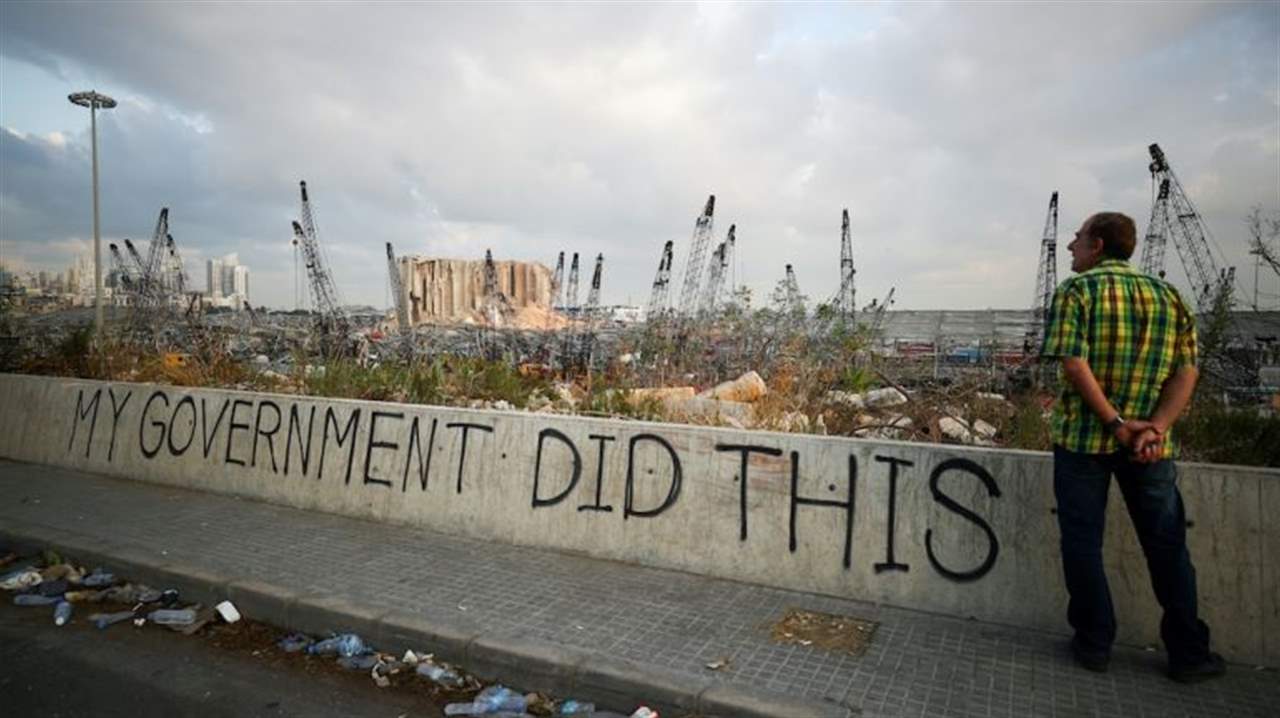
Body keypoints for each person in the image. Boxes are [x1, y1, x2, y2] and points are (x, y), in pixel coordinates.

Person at [1040, 211, 1225, 683]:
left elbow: (1074, 365)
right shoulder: (1170, 296)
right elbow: (1187, 371)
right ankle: (1187, 653)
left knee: (1082, 542)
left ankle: (1094, 643)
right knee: (1167, 546)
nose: (1070, 248)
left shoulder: (1077, 292)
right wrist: (1155, 427)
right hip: (1150, 449)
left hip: (1085, 441)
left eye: (1077, 239)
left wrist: (1116, 424)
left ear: (1097, 245)